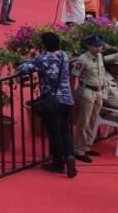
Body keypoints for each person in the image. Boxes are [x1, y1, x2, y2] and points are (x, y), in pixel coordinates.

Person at [17, 32, 76, 178]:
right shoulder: (63, 55)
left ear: (44, 45)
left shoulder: (42, 59)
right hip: (67, 98)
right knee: (66, 130)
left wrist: (21, 63)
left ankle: (58, 163)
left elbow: (23, 68)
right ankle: (69, 155)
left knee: (54, 132)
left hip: (52, 101)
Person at [70, 35, 108, 164]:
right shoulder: (83, 59)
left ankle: (86, 145)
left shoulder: (100, 57)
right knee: (84, 121)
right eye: (95, 46)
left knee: (92, 120)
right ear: (88, 46)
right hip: (87, 91)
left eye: (100, 45)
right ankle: (78, 149)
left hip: (98, 91)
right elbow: (74, 75)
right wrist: (72, 92)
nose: (98, 48)